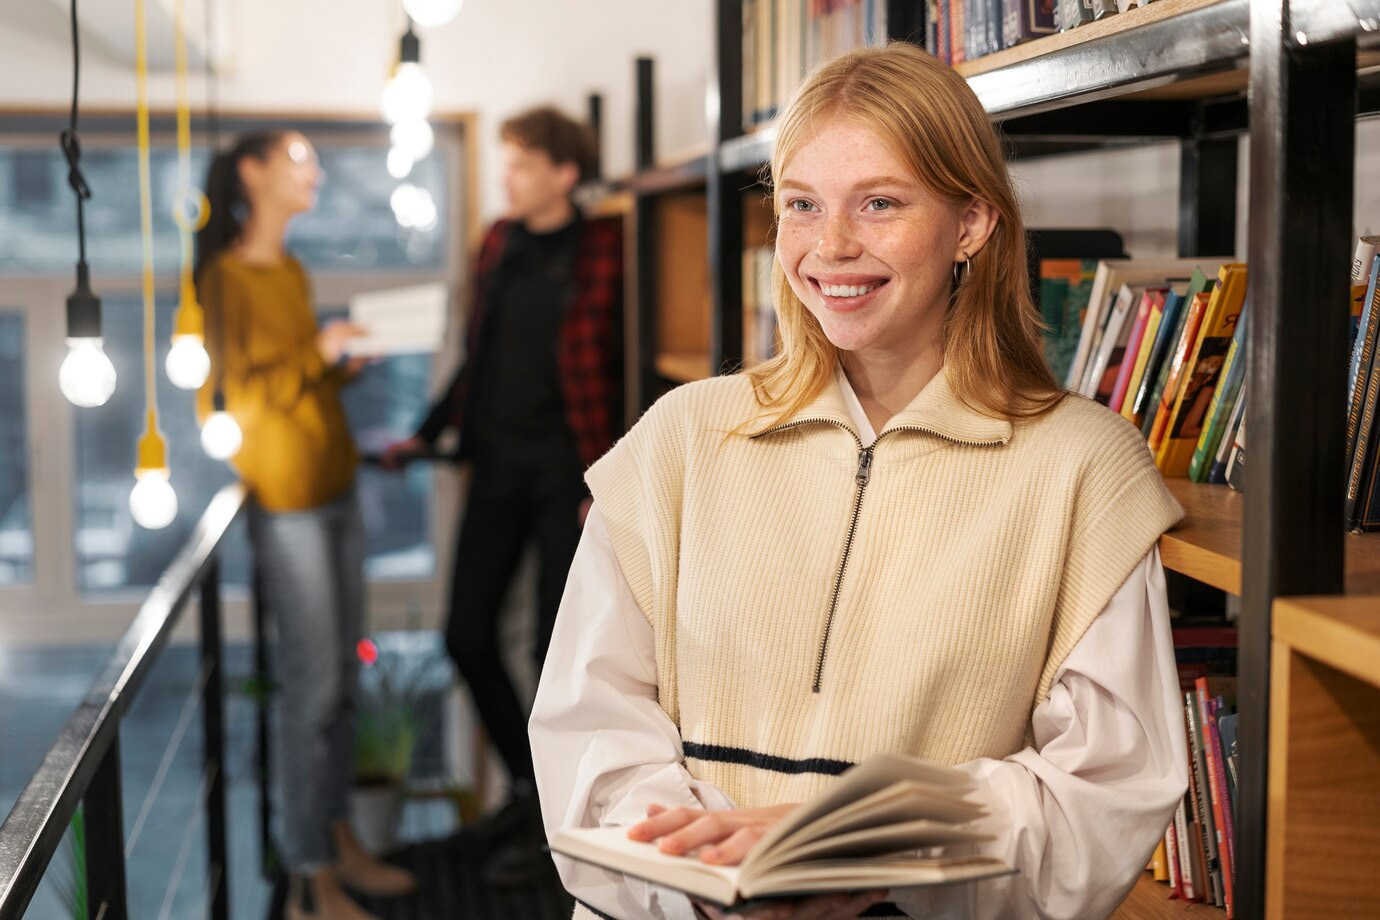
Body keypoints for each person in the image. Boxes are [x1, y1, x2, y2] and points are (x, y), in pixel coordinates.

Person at [529, 43, 1189, 920]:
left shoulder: (1085, 467)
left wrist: (868, 858)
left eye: (879, 203)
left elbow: (1105, 795)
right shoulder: (682, 436)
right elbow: (588, 726)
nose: (830, 247)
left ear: (972, 224)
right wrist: (709, 878)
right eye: (801, 205)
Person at [382, 105, 623, 832]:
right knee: (466, 635)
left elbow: (615, 370)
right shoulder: (498, 242)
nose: (506, 179)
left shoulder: (603, 246)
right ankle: (529, 787)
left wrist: (605, 479)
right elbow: (476, 356)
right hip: (492, 466)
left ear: (564, 174)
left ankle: (558, 815)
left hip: (564, 476)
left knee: (557, 650)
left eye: (520, 164)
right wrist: (424, 434)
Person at [197, 130, 418, 920]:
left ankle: (336, 840)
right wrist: (316, 355)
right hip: (287, 503)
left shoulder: (287, 268)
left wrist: (335, 362)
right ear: (251, 174)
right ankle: (308, 877)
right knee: (312, 691)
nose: (315, 172)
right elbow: (238, 401)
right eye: (298, 160)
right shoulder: (224, 279)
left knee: (342, 687)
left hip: (334, 488)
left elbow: (293, 380)